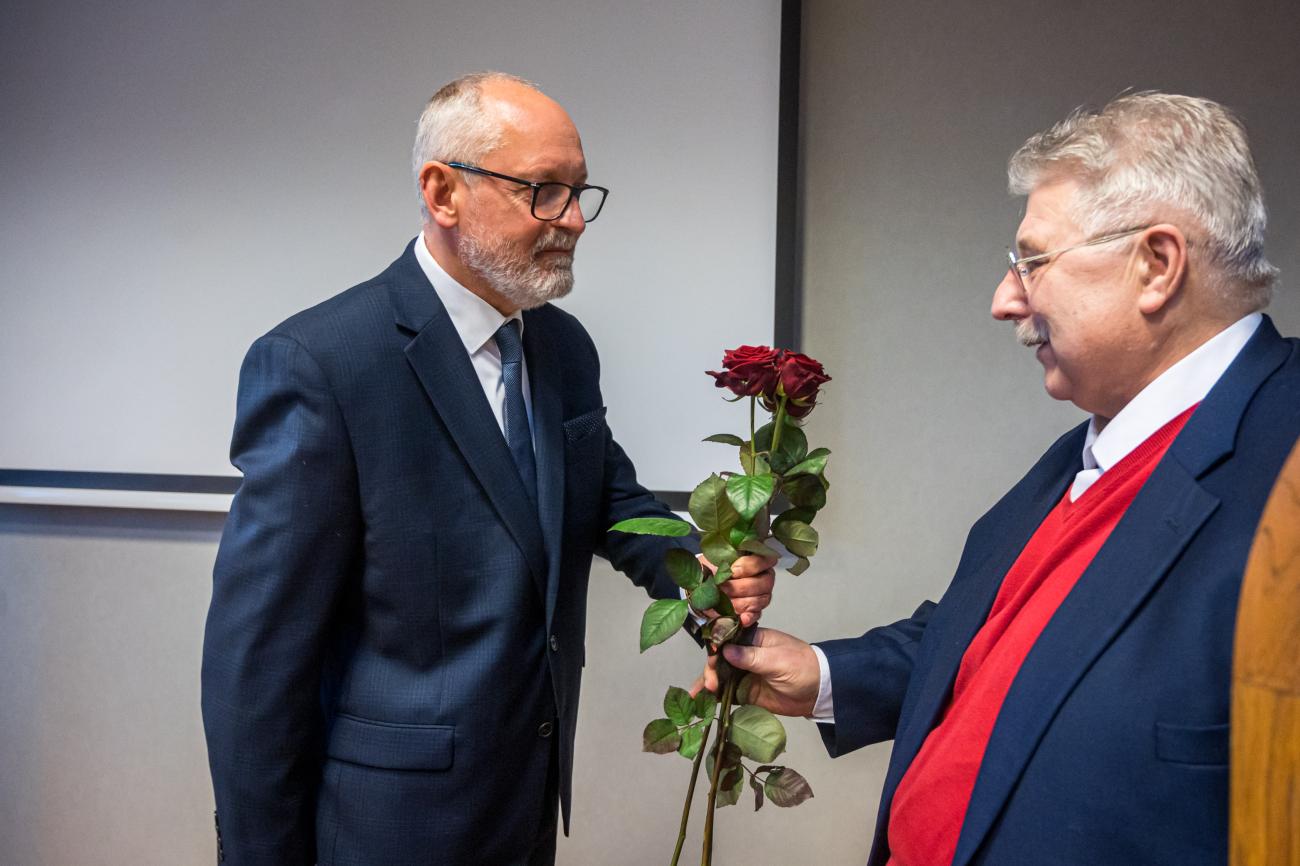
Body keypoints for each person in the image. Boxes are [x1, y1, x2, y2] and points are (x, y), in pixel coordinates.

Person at [704, 92, 1300, 866]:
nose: (1004, 300)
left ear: (1156, 265)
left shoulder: (1285, 459)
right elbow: (1006, 650)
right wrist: (823, 676)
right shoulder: (1086, 451)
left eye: (1033, 263)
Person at [200, 71, 775, 866]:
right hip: (383, 829)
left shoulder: (562, 347)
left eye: (579, 191)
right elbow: (258, 659)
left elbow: (606, 498)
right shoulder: (322, 363)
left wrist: (697, 574)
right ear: (443, 192)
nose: (573, 219)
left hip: (524, 807)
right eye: (543, 191)